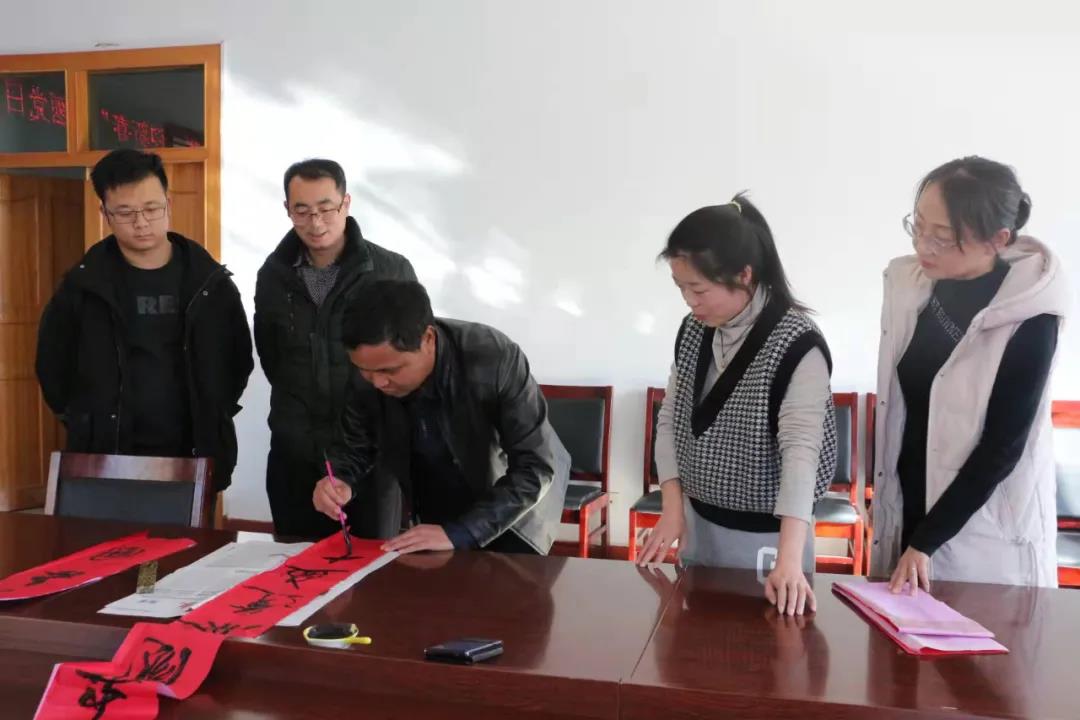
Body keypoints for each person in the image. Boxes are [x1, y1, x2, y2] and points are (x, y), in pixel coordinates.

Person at [871, 156, 1068, 591]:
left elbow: (1002, 447)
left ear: (997, 239)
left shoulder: (1030, 316)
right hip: (908, 507)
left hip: (978, 530)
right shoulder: (911, 287)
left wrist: (926, 541)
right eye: (918, 226)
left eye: (942, 237)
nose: (923, 246)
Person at [637, 195, 838, 616]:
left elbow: (801, 452)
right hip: (699, 525)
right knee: (693, 641)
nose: (689, 301)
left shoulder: (796, 343)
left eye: (698, 289)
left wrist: (788, 560)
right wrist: (673, 510)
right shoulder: (695, 329)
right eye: (680, 288)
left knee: (764, 645)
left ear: (744, 275)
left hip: (769, 541)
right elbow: (671, 420)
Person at [36, 149, 253, 501]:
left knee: (190, 537)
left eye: (152, 208)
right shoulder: (83, 287)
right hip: (106, 458)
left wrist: (213, 412)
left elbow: (238, 361)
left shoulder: (210, 284)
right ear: (105, 213)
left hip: (193, 455)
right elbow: (52, 366)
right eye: (125, 212)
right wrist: (86, 421)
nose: (141, 222)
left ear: (168, 203)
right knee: (106, 537)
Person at [313, 279, 569, 554]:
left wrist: (462, 532)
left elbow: (534, 466)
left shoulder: (493, 358)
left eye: (390, 371)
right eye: (365, 370)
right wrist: (340, 479)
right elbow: (356, 444)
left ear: (428, 339)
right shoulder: (370, 366)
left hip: (515, 510)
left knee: (505, 579)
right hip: (435, 506)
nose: (377, 383)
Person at [254, 159, 416, 538]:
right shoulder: (273, 275)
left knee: (376, 565)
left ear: (346, 203)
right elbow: (272, 357)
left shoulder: (389, 271)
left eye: (326, 209)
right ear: (287, 209)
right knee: (294, 562)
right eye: (302, 211)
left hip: (372, 459)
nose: (316, 223)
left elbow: (410, 364)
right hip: (296, 455)